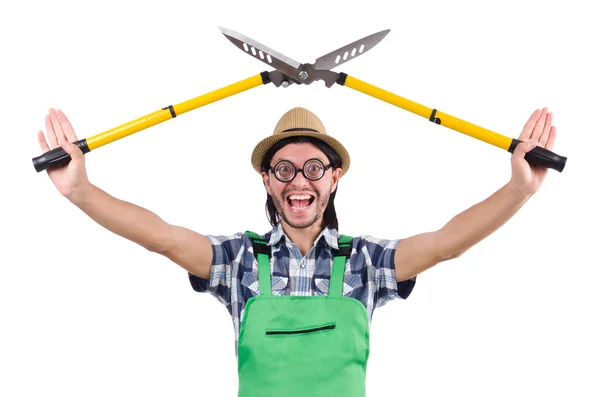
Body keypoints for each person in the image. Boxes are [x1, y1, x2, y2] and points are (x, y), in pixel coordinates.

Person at [36, 105, 557, 397]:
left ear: (333, 178)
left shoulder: (367, 263)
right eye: (284, 169)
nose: (298, 181)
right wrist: (81, 191)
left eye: (313, 169)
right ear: (268, 180)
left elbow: (446, 244)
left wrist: (519, 190)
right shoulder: (239, 260)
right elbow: (162, 236)